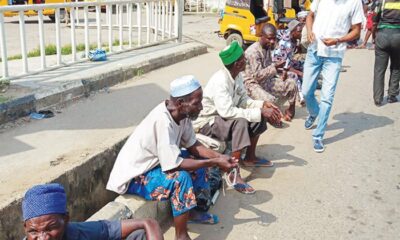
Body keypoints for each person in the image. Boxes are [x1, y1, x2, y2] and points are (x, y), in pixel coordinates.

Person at [107, 75, 237, 240]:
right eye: (197, 103)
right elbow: (174, 166)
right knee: (180, 180)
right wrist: (214, 161)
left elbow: (194, 146)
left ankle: (192, 212)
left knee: (198, 163)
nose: (201, 107)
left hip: (156, 164)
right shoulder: (163, 121)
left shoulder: (182, 115)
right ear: (181, 103)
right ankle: (181, 235)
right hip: (135, 176)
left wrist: (221, 157)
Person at [193, 41, 283, 194]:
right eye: (243, 58)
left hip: (222, 118)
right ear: (237, 63)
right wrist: (259, 111)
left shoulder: (237, 76)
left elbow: (243, 101)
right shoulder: (220, 81)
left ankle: (249, 157)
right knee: (241, 122)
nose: (246, 60)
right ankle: (233, 173)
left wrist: (263, 105)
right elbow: (227, 112)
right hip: (207, 122)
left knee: (259, 114)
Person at [302, 0, 364, 152]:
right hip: (314, 50)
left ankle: (318, 135)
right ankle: (315, 112)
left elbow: (357, 30)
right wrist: (310, 31)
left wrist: (338, 40)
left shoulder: (354, 3)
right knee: (306, 92)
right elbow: (310, 15)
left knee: (327, 97)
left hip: (334, 55)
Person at [22, 183, 163, 240]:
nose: (42, 238)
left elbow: (148, 223)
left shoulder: (78, 232)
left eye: (50, 228)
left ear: (66, 220)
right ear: (25, 228)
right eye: (33, 231)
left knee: (140, 236)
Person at [243, 23, 298, 122]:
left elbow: (268, 67)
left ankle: (290, 110)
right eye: (269, 38)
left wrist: (282, 71)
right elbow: (257, 76)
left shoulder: (267, 47)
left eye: (274, 38)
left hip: (266, 80)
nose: (272, 42)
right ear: (261, 36)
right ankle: (274, 118)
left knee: (291, 83)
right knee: (271, 101)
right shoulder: (253, 52)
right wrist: (274, 68)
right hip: (252, 84)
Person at [372, 0, 400, 106]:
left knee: (379, 69)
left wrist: (374, 36)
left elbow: (374, 20)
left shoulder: (381, 2)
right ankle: (392, 95)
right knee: (396, 67)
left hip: (383, 35)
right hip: (398, 36)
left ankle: (378, 98)